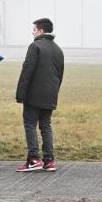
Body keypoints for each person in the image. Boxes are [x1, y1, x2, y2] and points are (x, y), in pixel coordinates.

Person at [15, 18, 64, 172]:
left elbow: (27, 71)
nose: (33, 32)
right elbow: (59, 75)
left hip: (33, 95)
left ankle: (33, 159)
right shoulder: (58, 49)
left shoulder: (35, 46)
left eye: (34, 29)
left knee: (30, 125)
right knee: (46, 126)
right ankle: (49, 161)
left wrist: (20, 94)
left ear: (41, 31)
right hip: (50, 95)